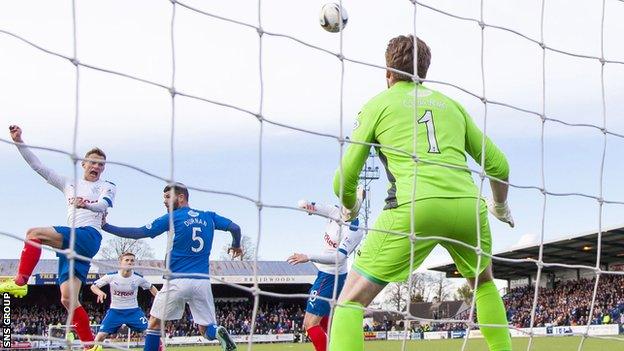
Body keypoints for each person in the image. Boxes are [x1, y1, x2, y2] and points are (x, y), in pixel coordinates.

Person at [329, 35, 514, 351]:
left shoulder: (378, 104)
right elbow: (499, 166)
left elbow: (344, 177)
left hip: (414, 207)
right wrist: (500, 205)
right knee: (483, 283)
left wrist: (351, 206)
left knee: (349, 302)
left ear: (388, 73)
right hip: (468, 207)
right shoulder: (452, 106)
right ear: (425, 71)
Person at [1, 125, 116, 348]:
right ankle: (90, 346)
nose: (96, 166)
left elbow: (104, 204)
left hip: (88, 236)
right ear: (83, 163)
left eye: (101, 164)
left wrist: (89, 207)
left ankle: (20, 281)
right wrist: (19, 141)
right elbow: (38, 166)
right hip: (71, 247)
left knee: (33, 233)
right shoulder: (68, 183)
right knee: (68, 299)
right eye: (92, 162)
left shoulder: (106, 185)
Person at [101, 183, 242, 351]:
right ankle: (217, 331)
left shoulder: (173, 217)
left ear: (181, 197)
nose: (165, 202)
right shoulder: (209, 217)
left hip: (177, 280)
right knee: (206, 330)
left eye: (168, 197)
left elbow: (140, 232)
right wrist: (236, 244)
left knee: (153, 324)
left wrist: (106, 226)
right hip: (202, 282)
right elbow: (235, 227)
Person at [287, 194, 365, 351]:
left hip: (331, 277)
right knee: (326, 324)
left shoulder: (355, 229)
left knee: (309, 324)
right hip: (326, 275)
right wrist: (307, 206)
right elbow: (308, 204)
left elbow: (339, 258)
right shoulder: (334, 211)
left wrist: (308, 256)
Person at [89, 252, 158, 350]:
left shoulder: (138, 278)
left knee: (150, 332)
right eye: (127, 260)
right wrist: (99, 292)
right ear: (120, 262)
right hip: (115, 311)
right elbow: (93, 286)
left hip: (133, 311)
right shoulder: (111, 276)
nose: (130, 262)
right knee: (100, 336)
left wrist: (159, 300)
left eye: (132, 260)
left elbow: (152, 287)